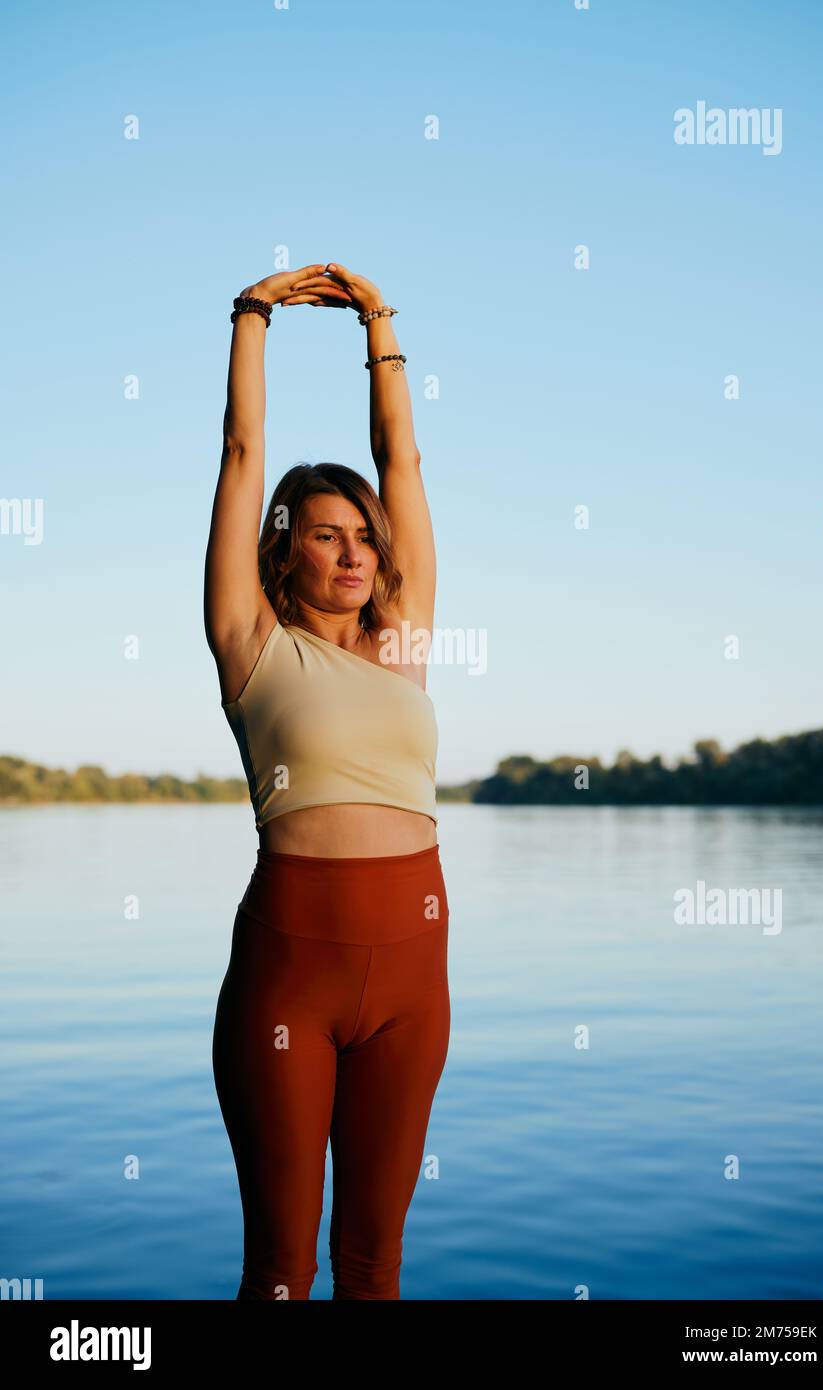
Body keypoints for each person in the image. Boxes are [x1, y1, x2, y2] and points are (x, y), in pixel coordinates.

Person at [205, 262, 450, 1300]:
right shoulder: (249, 645)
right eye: (324, 534)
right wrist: (253, 317)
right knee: (280, 1269)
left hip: (414, 981)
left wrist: (379, 325)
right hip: (288, 978)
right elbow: (241, 450)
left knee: (375, 1264)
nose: (352, 552)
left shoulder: (403, 645)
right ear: (283, 549)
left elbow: (403, 457)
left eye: (361, 537)